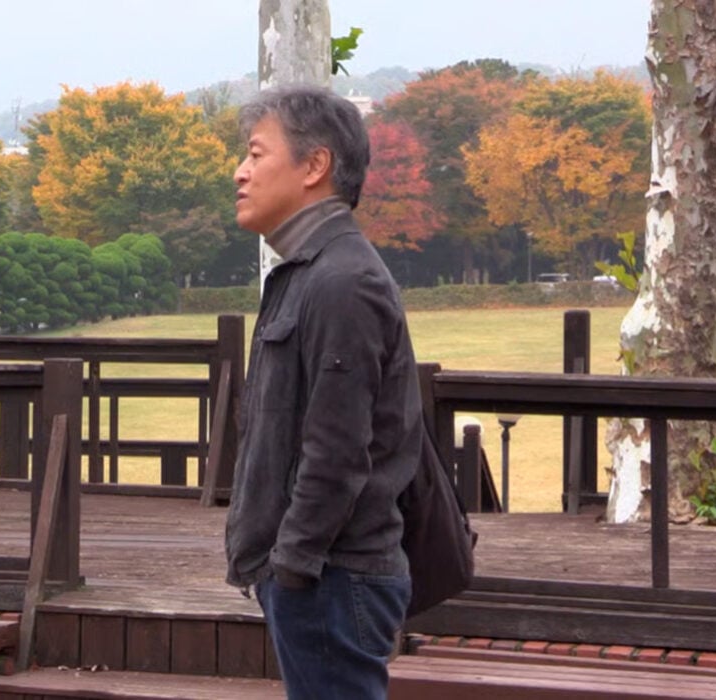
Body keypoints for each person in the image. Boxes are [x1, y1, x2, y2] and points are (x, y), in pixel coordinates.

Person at [224, 84, 422, 699]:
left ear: (315, 166)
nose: (240, 172)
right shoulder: (308, 272)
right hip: (318, 575)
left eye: (256, 154)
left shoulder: (342, 280)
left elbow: (337, 449)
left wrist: (293, 564)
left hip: (332, 575)